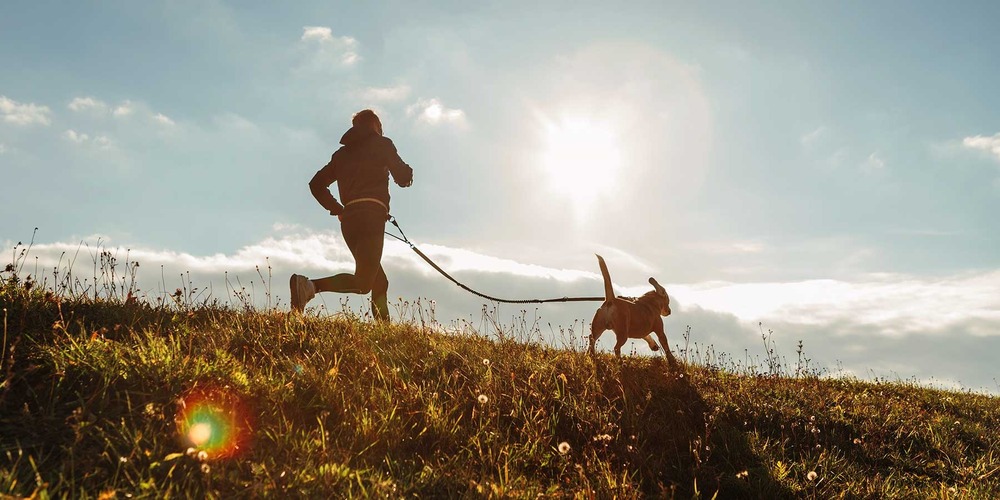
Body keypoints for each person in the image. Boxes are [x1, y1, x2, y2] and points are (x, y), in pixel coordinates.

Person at [290, 109, 413, 321]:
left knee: (379, 281)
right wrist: (408, 172)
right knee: (364, 283)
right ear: (375, 125)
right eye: (380, 127)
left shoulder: (341, 155)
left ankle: (384, 333)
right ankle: (310, 286)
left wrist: (338, 209)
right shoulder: (382, 144)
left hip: (349, 221)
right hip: (371, 218)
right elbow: (402, 178)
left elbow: (316, 184)